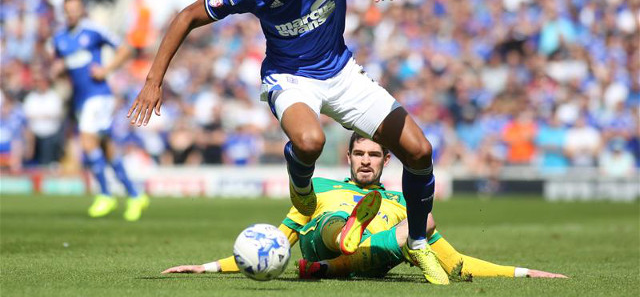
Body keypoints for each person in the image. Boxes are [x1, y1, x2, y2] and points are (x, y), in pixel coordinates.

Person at [128, 0, 446, 283]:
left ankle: (419, 243)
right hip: (290, 79)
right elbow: (187, 16)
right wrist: (153, 80)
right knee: (310, 141)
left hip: (342, 73)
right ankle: (301, 190)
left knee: (420, 150)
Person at [162, 133, 566, 280]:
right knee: (334, 222)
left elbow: (456, 263)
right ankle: (346, 237)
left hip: (372, 253)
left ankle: (356, 252)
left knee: (420, 222)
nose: (367, 160)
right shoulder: (317, 187)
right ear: (350, 156)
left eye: (375, 154)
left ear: (386, 161)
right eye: (360, 154)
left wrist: (522, 271)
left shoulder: (397, 201)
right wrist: (209, 266)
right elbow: (275, 241)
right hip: (324, 240)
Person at [51, 0, 149, 221]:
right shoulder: (60, 39)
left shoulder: (93, 31)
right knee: (106, 146)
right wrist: (58, 71)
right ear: (64, 12)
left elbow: (126, 49)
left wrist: (106, 70)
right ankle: (135, 194)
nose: (72, 13)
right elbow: (62, 66)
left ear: (82, 9)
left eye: (76, 8)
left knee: (87, 140)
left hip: (99, 95)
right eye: (68, 10)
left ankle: (105, 194)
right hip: (80, 99)